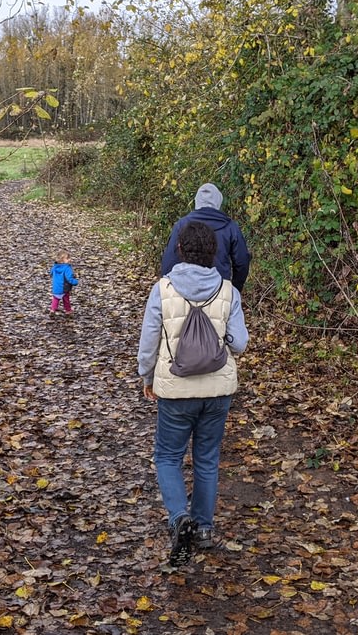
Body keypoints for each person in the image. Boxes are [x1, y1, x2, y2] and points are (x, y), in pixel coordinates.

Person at [138, 221, 248, 566]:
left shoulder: (163, 289)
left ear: (180, 251)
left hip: (175, 389)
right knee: (207, 458)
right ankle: (202, 528)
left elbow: (148, 342)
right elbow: (241, 344)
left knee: (168, 456)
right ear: (213, 254)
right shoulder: (229, 291)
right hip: (218, 390)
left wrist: (147, 376)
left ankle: (178, 517)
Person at [159, 183, 251, 293]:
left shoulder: (182, 225)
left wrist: (169, 289)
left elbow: (170, 259)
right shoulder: (230, 227)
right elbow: (242, 261)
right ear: (218, 201)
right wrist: (235, 289)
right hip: (219, 290)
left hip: (186, 289)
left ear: (197, 201)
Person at [49, 251, 78, 315]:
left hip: (56, 287)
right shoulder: (67, 268)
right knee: (66, 300)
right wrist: (75, 282)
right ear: (63, 260)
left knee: (55, 298)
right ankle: (68, 310)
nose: (69, 259)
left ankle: (52, 310)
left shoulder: (54, 267)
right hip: (64, 287)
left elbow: (51, 273)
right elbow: (69, 278)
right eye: (68, 258)